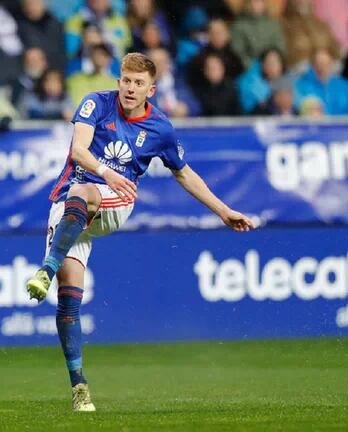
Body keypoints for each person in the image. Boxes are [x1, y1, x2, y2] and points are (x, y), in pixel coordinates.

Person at [24, 52, 255, 412]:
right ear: (118, 81)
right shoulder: (95, 104)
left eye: (138, 83)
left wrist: (223, 211)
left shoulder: (160, 128)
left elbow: (184, 173)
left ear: (151, 88)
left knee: (82, 192)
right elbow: (78, 151)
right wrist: (106, 171)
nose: (130, 89)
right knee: (69, 302)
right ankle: (80, 386)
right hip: (71, 207)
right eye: (126, 81)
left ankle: (45, 268)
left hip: (116, 199)